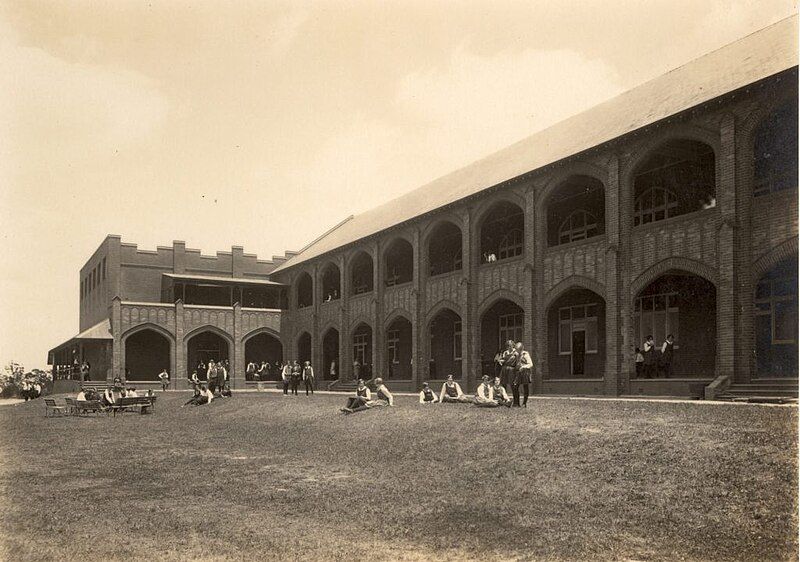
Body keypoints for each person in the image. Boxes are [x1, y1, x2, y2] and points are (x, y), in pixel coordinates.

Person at [512, 342, 533, 407]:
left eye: (518, 350)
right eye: (516, 349)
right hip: (518, 372)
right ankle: (516, 403)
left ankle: (524, 403)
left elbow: (530, 364)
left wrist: (523, 367)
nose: (517, 351)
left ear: (521, 349)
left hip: (525, 372)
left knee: (525, 387)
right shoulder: (516, 354)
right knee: (515, 387)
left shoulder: (525, 354)